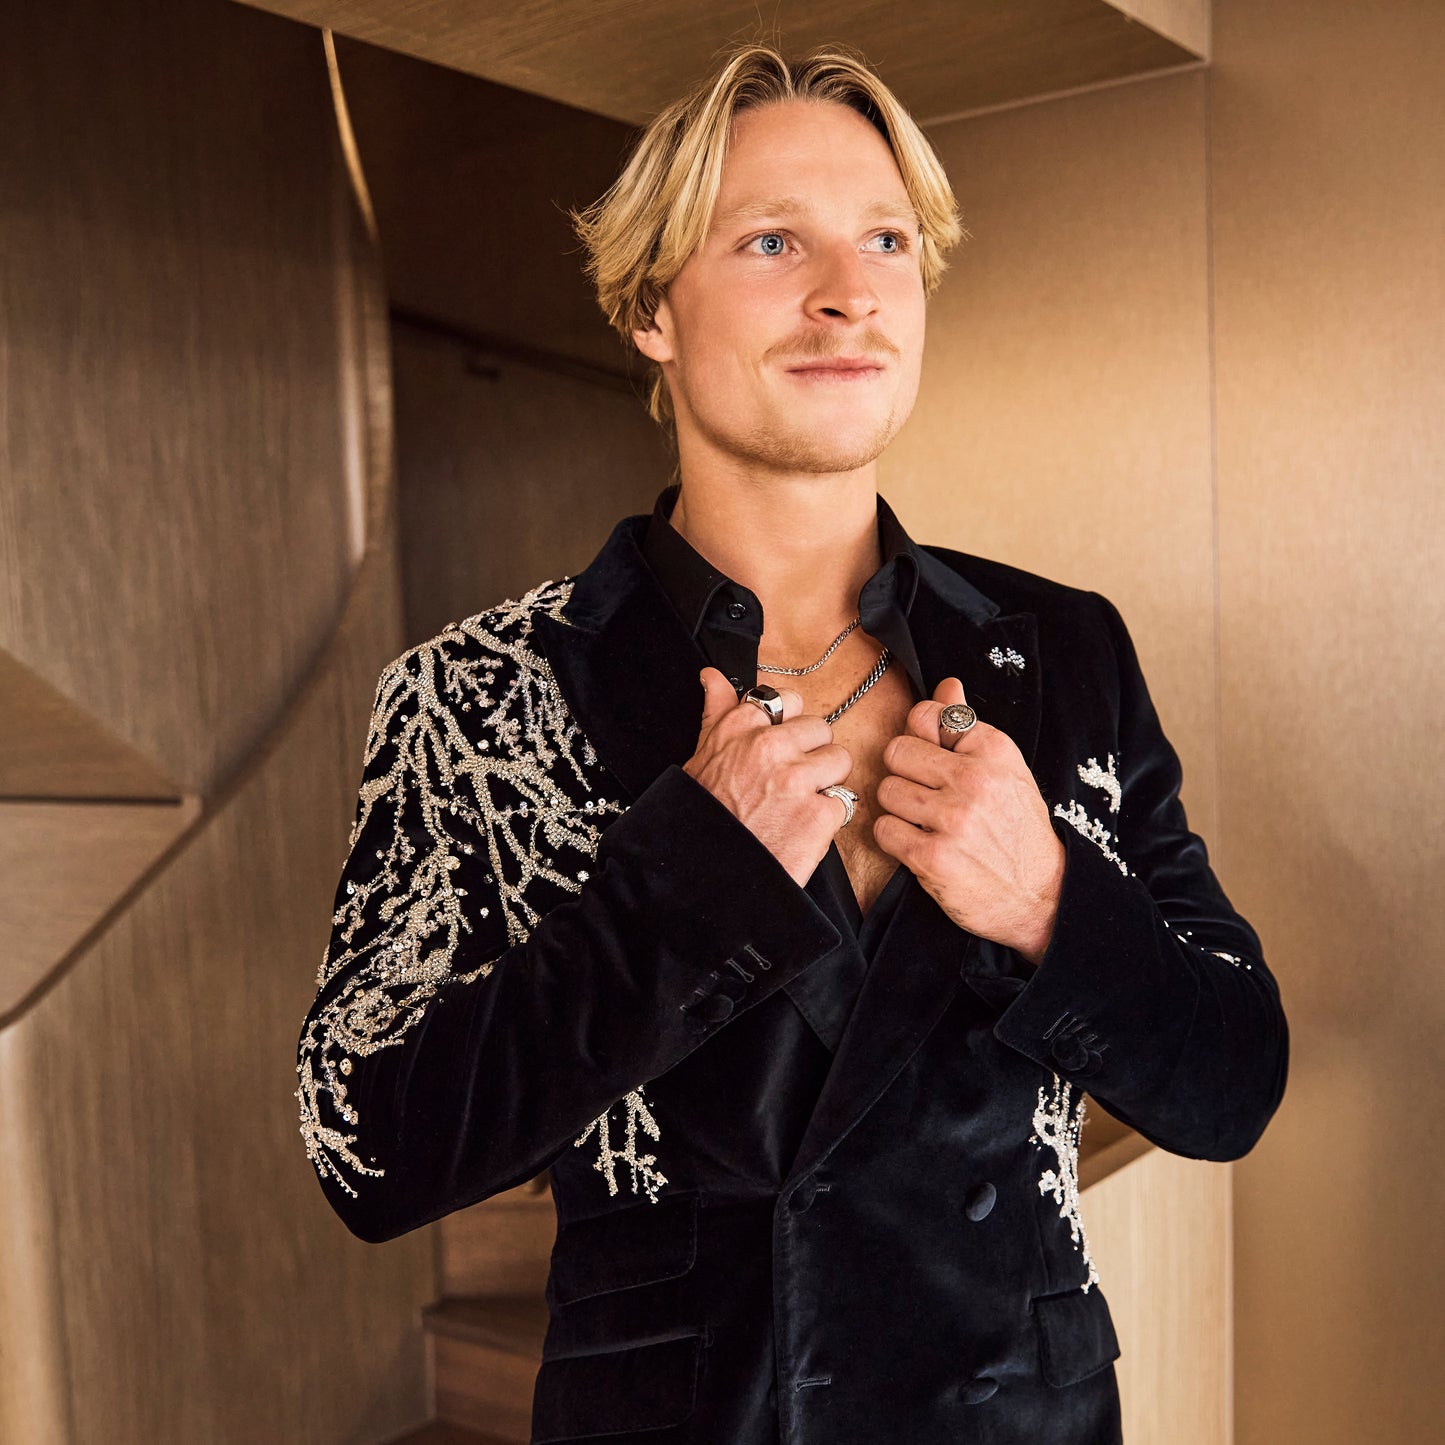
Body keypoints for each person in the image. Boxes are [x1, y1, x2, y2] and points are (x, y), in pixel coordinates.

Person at [296, 42, 1288, 1445]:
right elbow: (364, 1145)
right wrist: (677, 891)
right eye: (773, 240)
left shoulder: (1060, 651)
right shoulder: (470, 697)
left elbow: (1233, 1075)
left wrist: (1048, 902)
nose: (849, 290)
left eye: (886, 239)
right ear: (650, 306)